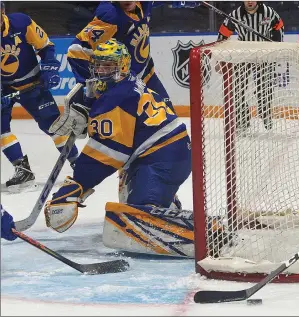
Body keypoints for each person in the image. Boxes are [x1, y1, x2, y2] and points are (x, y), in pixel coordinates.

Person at [44, 39, 193, 256]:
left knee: (138, 216)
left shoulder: (116, 97)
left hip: (162, 159)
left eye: (109, 66)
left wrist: (76, 187)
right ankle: (166, 203)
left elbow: (107, 152)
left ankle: (179, 226)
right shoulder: (127, 83)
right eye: (99, 65)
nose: (102, 71)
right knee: (128, 200)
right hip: (162, 153)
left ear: (122, 66)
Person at [1, 2, 79, 191]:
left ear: (2, 11)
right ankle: (23, 170)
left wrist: (50, 66)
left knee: (53, 125)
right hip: (5, 87)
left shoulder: (21, 23)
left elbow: (45, 46)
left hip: (33, 84)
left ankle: (80, 164)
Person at [66, 1, 199, 102]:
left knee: (169, 118)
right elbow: (76, 50)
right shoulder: (110, 16)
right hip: (123, 83)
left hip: (147, 74)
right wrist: (88, 85)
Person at [217, 1, 284, 133]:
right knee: (238, 89)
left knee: (264, 88)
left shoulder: (268, 13)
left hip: (263, 56)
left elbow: (279, 27)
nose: (250, 1)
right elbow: (223, 34)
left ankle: (265, 114)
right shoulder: (235, 15)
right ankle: (242, 119)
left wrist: (276, 47)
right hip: (243, 56)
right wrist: (220, 58)